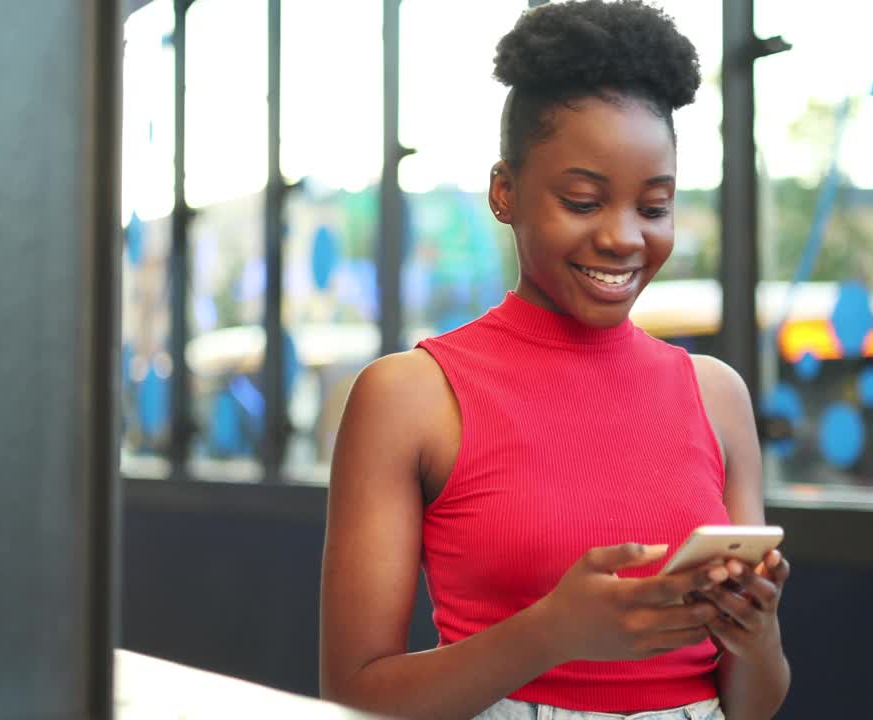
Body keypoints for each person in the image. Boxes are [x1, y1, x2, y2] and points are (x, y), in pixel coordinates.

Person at [320, 2, 790, 718]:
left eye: (654, 207)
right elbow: (355, 695)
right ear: (504, 193)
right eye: (582, 200)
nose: (623, 238)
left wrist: (753, 638)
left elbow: (754, 704)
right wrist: (552, 634)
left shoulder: (715, 394)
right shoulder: (411, 396)